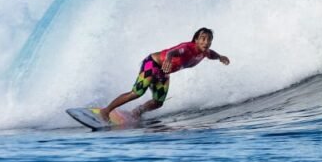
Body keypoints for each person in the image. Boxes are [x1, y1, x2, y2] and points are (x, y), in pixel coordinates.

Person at [99, 27, 230, 122]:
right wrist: (168, 59)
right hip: (153, 64)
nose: (206, 42)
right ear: (196, 39)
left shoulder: (205, 52)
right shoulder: (187, 47)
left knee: (158, 102)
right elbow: (172, 52)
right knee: (137, 93)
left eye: (209, 40)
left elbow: (212, 54)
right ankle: (106, 110)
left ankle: (136, 112)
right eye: (203, 39)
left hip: (163, 73)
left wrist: (220, 57)